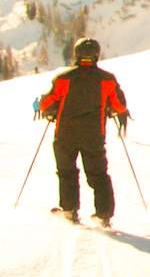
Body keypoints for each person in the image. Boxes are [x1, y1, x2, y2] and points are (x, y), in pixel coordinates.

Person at [38, 37, 129, 225]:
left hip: (65, 134)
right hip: (94, 134)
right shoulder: (107, 79)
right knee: (98, 174)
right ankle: (104, 214)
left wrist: (53, 111)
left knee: (67, 172)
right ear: (97, 55)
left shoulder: (64, 78)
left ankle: (70, 210)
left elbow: (45, 103)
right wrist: (108, 109)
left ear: (77, 54)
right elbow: (120, 106)